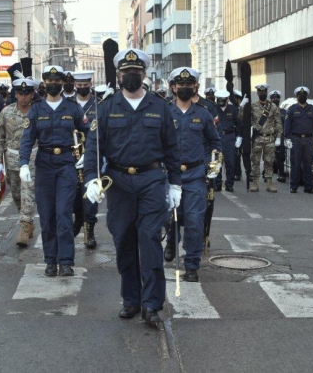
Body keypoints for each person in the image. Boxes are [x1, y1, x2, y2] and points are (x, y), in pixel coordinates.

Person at [84, 48, 182, 328]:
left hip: (151, 181)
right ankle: (131, 299)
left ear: (144, 74)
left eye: (136, 73)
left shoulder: (160, 106)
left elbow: (172, 148)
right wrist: (92, 177)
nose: (131, 77)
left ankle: (152, 304)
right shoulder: (106, 107)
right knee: (124, 240)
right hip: (118, 184)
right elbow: (94, 147)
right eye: (126, 73)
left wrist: (176, 183)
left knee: (150, 239)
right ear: (118, 75)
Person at [19, 66, 90, 277]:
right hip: (44, 164)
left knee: (64, 214)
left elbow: (89, 132)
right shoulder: (37, 108)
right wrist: (23, 163)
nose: (53, 84)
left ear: (62, 83)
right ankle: (50, 260)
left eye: (57, 81)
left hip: (66, 164)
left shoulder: (72, 107)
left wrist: (87, 154)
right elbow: (27, 138)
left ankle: (66, 261)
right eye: (49, 81)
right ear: (44, 83)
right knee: (48, 215)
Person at [164, 67, 222, 283]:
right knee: (170, 218)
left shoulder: (203, 114)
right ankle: (171, 240)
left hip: (196, 175)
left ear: (195, 87)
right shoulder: (164, 112)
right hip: (170, 176)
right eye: (181, 85)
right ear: (173, 87)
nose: (185, 88)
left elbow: (215, 142)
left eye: (189, 85)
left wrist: (213, 164)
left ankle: (191, 265)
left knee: (195, 222)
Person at [0, 78, 38, 247]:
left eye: (27, 94)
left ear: (32, 94)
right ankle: (26, 219)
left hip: (33, 158)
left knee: (28, 191)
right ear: (16, 94)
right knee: (17, 194)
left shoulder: (38, 111)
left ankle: (24, 226)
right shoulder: (6, 112)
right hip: (11, 159)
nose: (23, 97)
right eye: (20, 94)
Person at [71, 70, 100, 248]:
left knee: (91, 194)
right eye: (79, 85)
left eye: (85, 84)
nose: (82, 88)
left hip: (91, 155)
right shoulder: (67, 104)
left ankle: (89, 229)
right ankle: (78, 219)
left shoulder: (99, 105)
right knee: (74, 195)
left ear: (90, 83)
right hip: (71, 156)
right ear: (75, 85)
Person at [246, 84, 282, 193]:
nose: (262, 94)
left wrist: (278, 137)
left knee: (269, 161)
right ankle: (255, 184)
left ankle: (269, 183)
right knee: (255, 161)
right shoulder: (252, 106)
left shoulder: (273, 107)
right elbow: (242, 117)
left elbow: (278, 122)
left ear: (267, 93)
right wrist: (243, 106)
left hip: (269, 139)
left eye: (264, 92)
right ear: (257, 93)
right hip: (257, 138)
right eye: (260, 92)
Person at [284, 86, 313, 193]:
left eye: (304, 95)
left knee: (308, 163)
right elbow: (287, 125)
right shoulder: (292, 109)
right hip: (296, 139)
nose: (302, 96)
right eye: (300, 95)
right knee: (295, 163)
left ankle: (308, 186)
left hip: (309, 140)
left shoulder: (312, 109)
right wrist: (287, 138)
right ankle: (294, 186)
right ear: (296, 96)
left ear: (307, 96)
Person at [213, 89, 241, 192]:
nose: (220, 101)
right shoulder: (213, 109)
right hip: (216, 137)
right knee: (217, 162)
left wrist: (239, 137)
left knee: (230, 162)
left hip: (229, 137)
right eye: (219, 99)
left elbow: (239, 124)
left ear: (227, 99)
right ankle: (217, 183)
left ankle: (229, 184)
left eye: (223, 99)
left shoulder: (233, 109)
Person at [269, 90, 288, 183]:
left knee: (280, 156)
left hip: (280, 137)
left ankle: (281, 174)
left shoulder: (284, 112)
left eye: (277, 98)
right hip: (269, 136)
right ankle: (267, 173)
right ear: (271, 99)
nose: (275, 99)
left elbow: (287, 125)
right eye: (273, 98)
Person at [232, 89, 244, 181]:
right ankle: (237, 173)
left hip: (243, 134)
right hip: (235, 134)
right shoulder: (233, 108)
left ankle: (249, 173)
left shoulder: (242, 108)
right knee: (236, 155)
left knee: (246, 155)